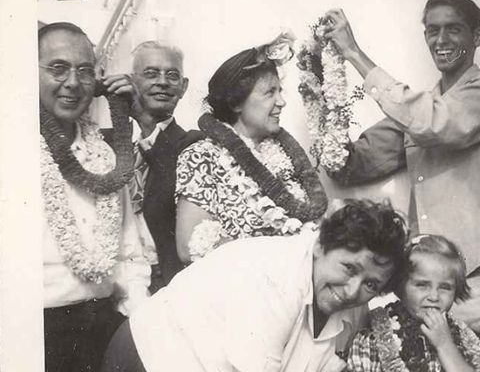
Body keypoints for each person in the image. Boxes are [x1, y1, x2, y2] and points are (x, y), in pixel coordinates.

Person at [321, 0, 480, 360]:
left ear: (477, 36)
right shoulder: (416, 110)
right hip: (426, 286)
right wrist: (322, 97)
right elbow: (354, 165)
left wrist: (354, 54)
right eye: (432, 30)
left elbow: (439, 124)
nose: (441, 40)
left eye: (453, 29)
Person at [101, 199, 409, 372]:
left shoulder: (347, 303)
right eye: (348, 268)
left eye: (370, 284)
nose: (354, 290)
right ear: (321, 246)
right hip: (149, 358)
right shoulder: (276, 276)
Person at [38, 22, 151, 372]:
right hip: (33, 331)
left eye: (85, 71)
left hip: (103, 330)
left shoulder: (106, 157)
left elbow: (131, 255)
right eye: (58, 68)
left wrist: (140, 326)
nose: (73, 82)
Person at [174, 34, 328, 262]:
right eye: (269, 92)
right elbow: (191, 247)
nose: (282, 102)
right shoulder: (201, 157)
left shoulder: (286, 155)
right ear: (236, 102)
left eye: (280, 91)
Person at [347, 234, 480, 372]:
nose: (434, 296)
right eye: (422, 285)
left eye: (445, 287)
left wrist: (445, 345)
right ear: (400, 286)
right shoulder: (375, 338)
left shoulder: (466, 340)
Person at [122, 40, 203, 293]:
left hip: (168, 283)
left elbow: (169, 176)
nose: (163, 82)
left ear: (183, 87)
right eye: (151, 74)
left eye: (172, 75)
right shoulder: (109, 142)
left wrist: (144, 121)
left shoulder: (194, 144)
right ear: (132, 81)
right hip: (117, 281)